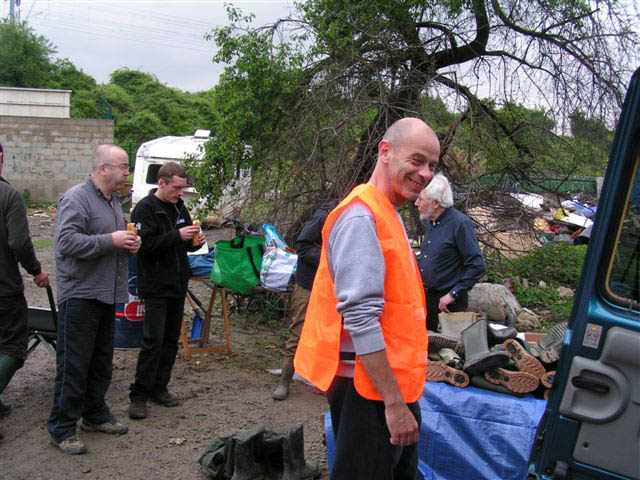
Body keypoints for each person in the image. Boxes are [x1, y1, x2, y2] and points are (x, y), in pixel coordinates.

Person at [295, 118, 439, 479]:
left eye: (432, 166)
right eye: (418, 160)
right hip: (368, 389)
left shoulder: (384, 210)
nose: (425, 174)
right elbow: (361, 317)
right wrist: (393, 404)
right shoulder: (361, 215)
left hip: (383, 384)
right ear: (385, 152)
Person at [48, 144, 140, 455]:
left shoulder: (113, 201)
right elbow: (66, 242)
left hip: (107, 293)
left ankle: (94, 414)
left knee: (101, 361)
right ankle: (61, 428)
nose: (127, 172)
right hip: (81, 294)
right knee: (74, 364)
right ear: (103, 169)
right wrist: (110, 240)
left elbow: (109, 243)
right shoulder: (77, 197)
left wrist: (127, 243)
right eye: (123, 166)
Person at [128, 162, 204, 420]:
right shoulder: (145, 209)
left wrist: (195, 243)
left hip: (177, 282)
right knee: (153, 340)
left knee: (171, 340)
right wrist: (177, 236)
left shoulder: (180, 207)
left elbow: (184, 245)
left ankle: (159, 387)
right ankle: (138, 395)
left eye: (183, 188)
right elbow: (143, 246)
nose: (180, 192)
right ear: (161, 183)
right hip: (155, 285)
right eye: (177, 187)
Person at [0, 142, 50, 441]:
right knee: (13, 348)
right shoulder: (8, 195)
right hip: (4, 290)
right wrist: (36, 271)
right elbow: (19, 242)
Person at [272, 200, 337, 401]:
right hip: (308, 284)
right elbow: (302, 246)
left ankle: (324, 381)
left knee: (329, 334)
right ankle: (284, 380)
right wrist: (331, 257)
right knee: (299, 331)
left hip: (332, 286)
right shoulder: (325, 215)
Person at [415, 174, 485, 332]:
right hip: (428, 299)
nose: (416, 203)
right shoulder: (430, 222)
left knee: (448, 353)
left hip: (448, 304)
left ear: (436, 203)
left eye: (421, 199)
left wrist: (453, 294)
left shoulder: (460, 224)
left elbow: (477, 265)